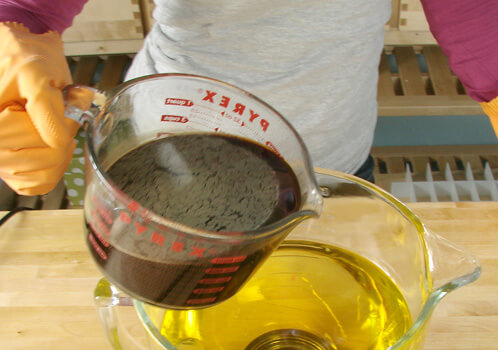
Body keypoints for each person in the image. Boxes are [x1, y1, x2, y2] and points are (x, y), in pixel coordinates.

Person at [0, 0, 496, 196]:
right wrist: (16, 43)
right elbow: (28, 8)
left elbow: (475, 17)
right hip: (165, 158)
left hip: (331, 159)